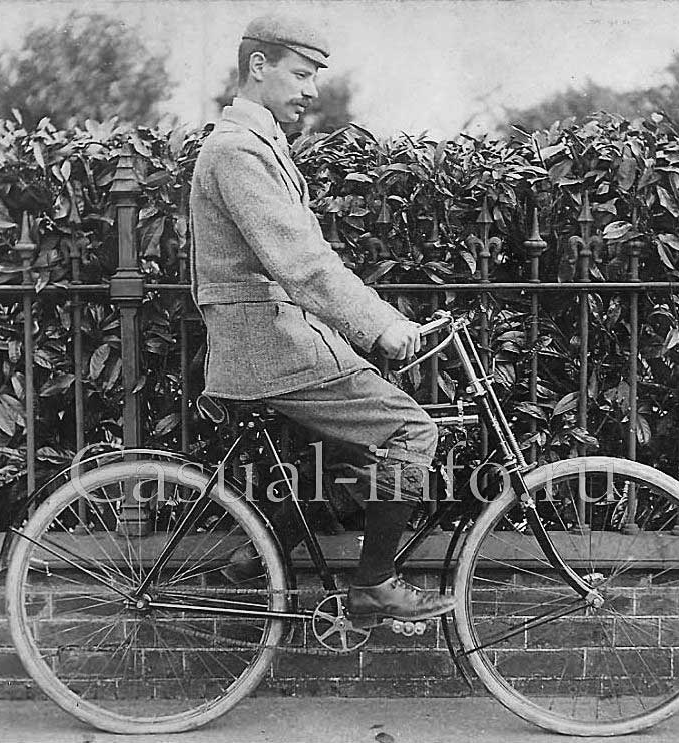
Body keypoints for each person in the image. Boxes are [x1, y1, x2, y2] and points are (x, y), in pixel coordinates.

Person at [189, 12, 454, 622]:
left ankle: (256, 557)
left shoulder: (258, 144)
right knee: (411, 431)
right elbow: (301, 261)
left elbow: (307, 259)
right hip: (269, 343)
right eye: (302, 73)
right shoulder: (237, 151)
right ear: (259, 66)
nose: (311, 90)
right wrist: (379, 325)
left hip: (280, 336)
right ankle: (376, 582)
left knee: (342, 461)